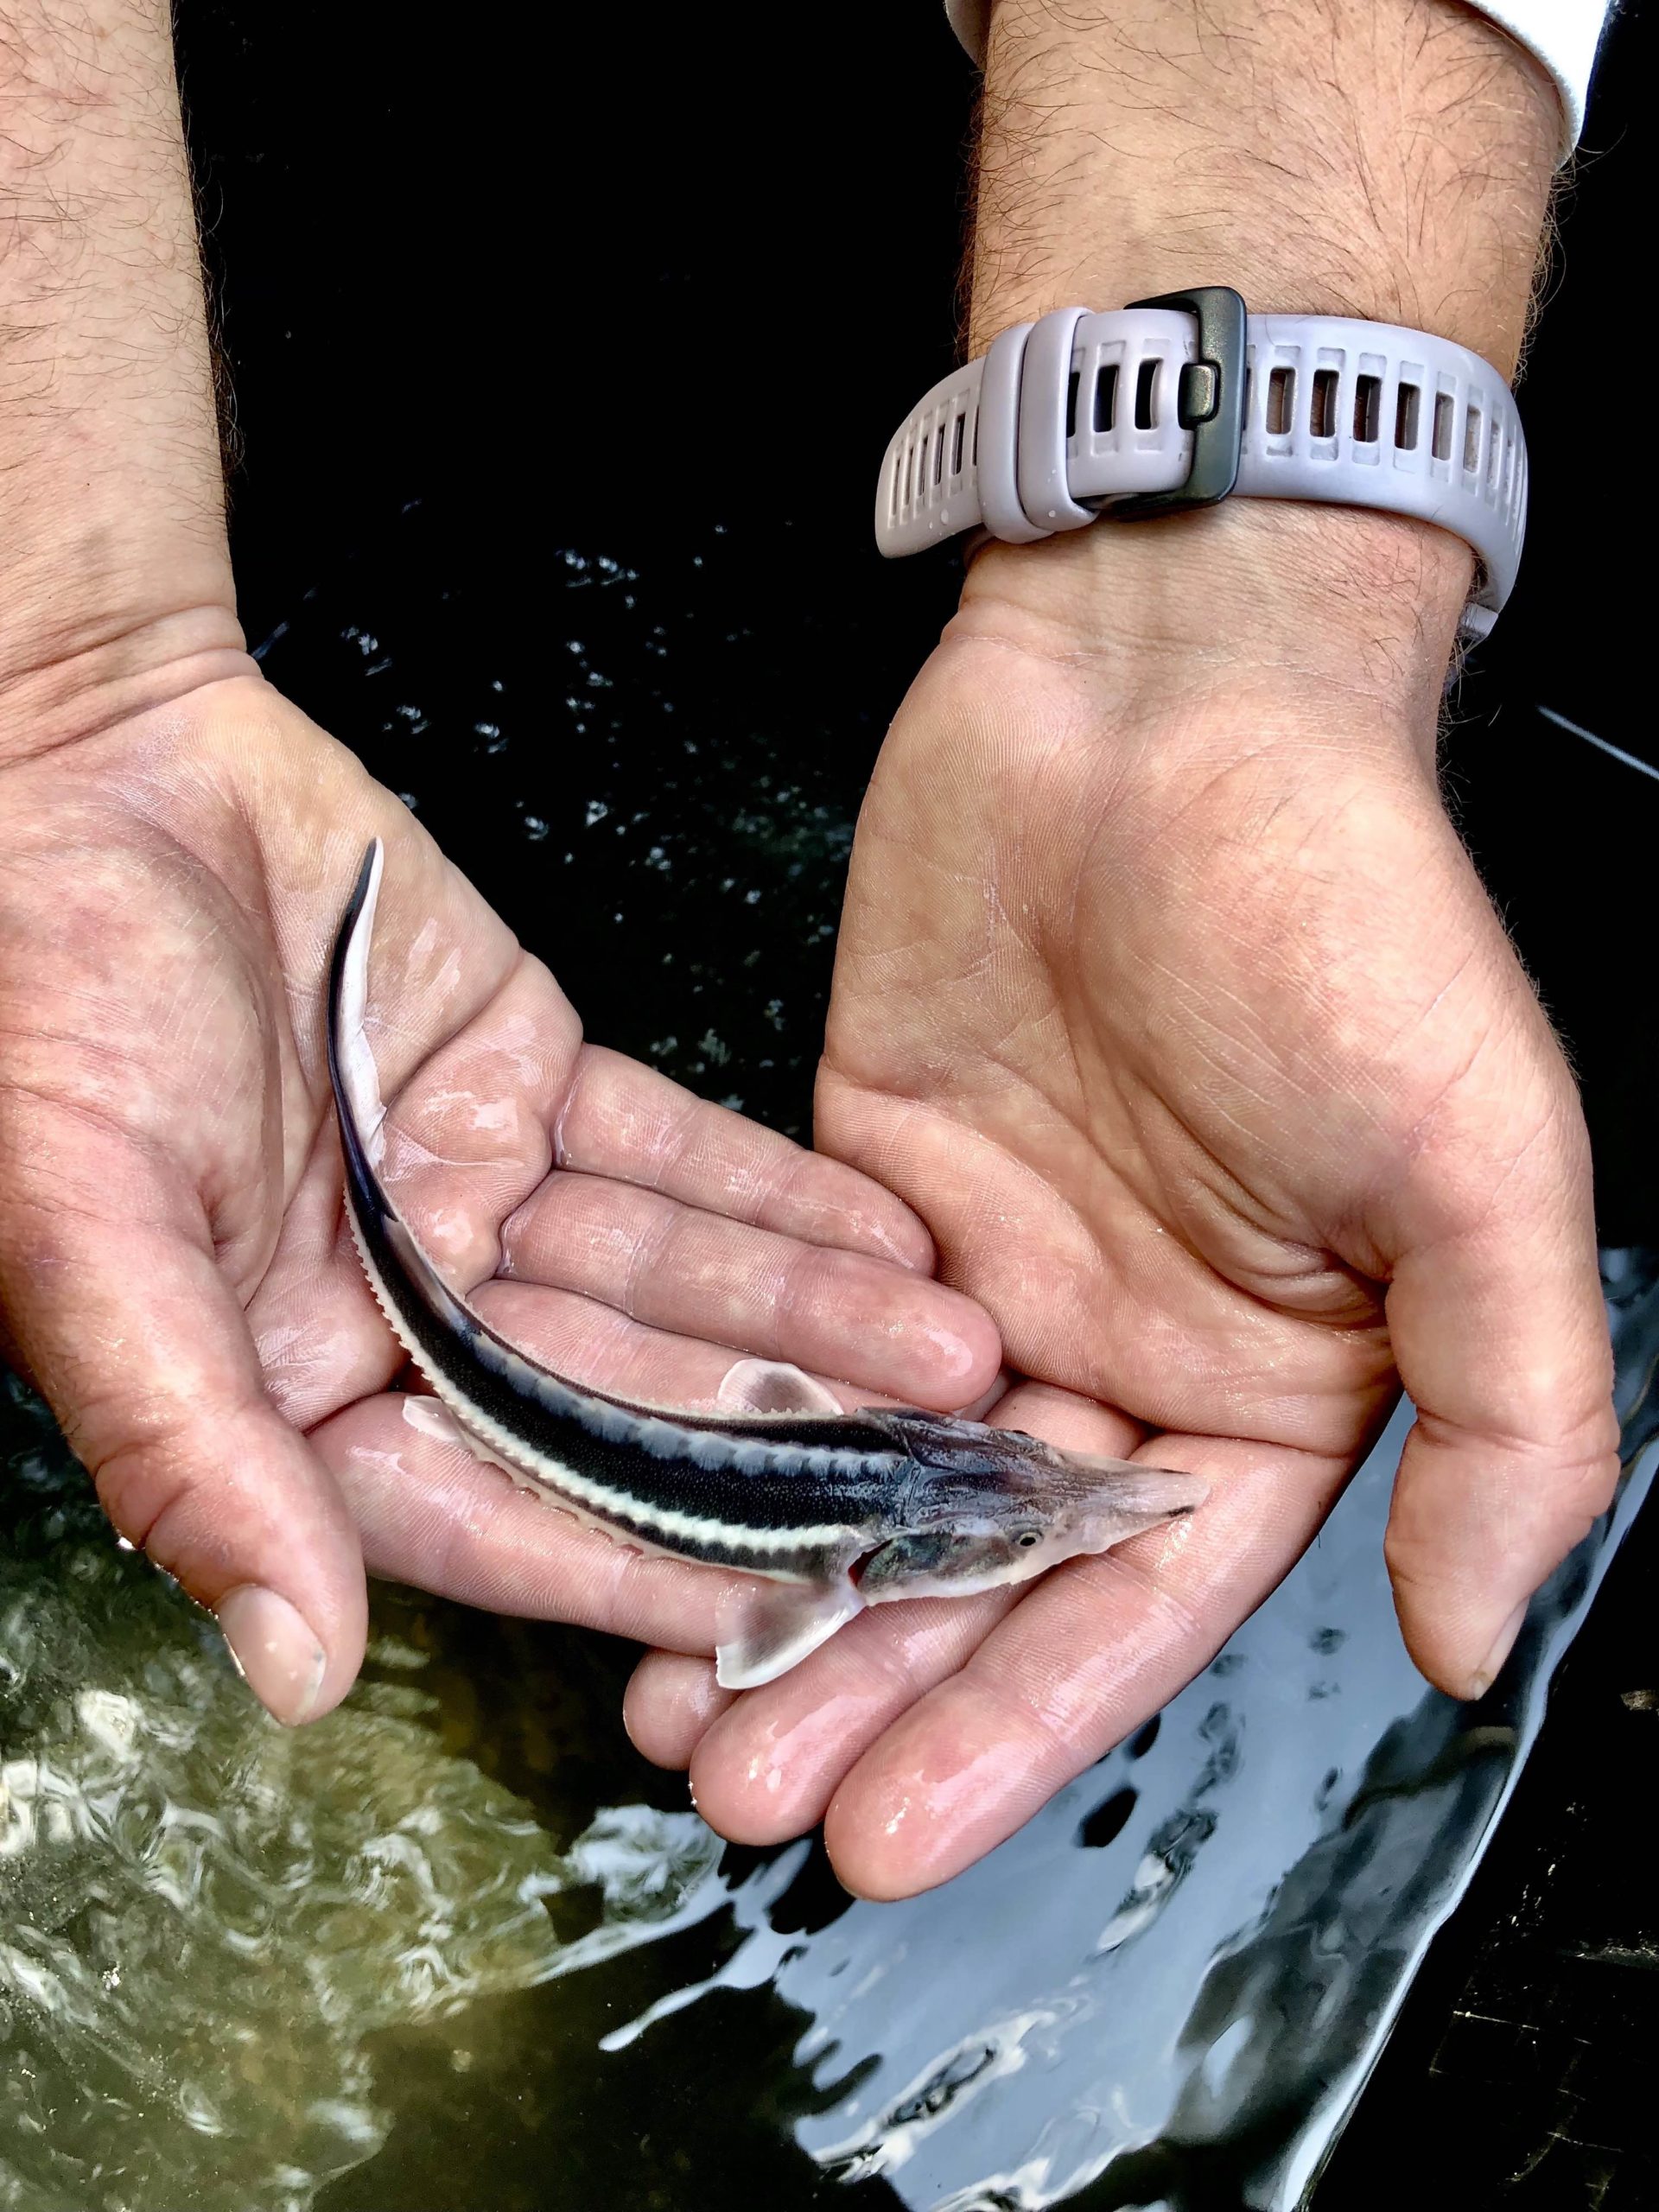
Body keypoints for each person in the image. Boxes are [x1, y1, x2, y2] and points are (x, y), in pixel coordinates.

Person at [0, 0, 1620, 1903]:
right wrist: (56, 686)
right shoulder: (818, 1562)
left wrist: (1217, 636)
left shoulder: (832, 1503)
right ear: (879, 1562)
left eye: (1025, 1520)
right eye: (1027, 1527)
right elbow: (782, 1593)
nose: (1079, 1513)